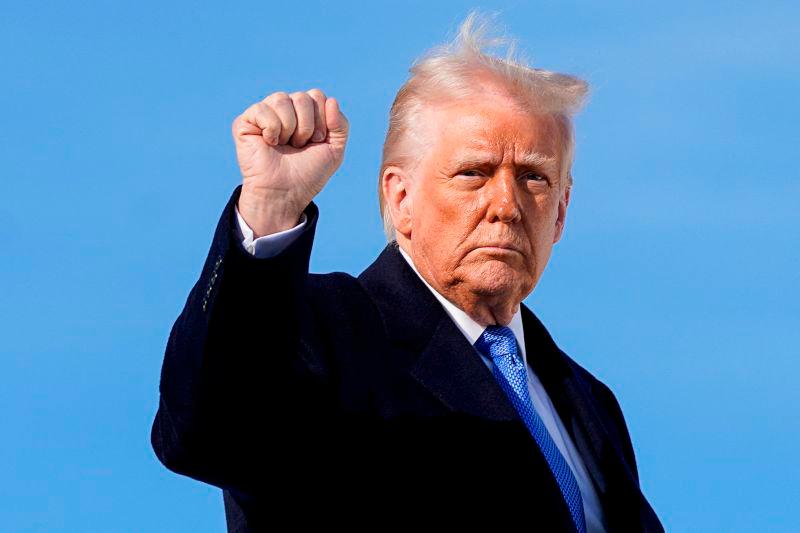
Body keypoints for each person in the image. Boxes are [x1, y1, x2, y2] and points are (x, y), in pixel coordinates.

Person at [150, 11, 664, 532]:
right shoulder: (326, 335)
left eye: (533, 177)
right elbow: (206, 428)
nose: (506, 204)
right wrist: (271, 206)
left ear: (561, 211)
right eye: (473, 173)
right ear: (401, 199)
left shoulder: (587, 400)